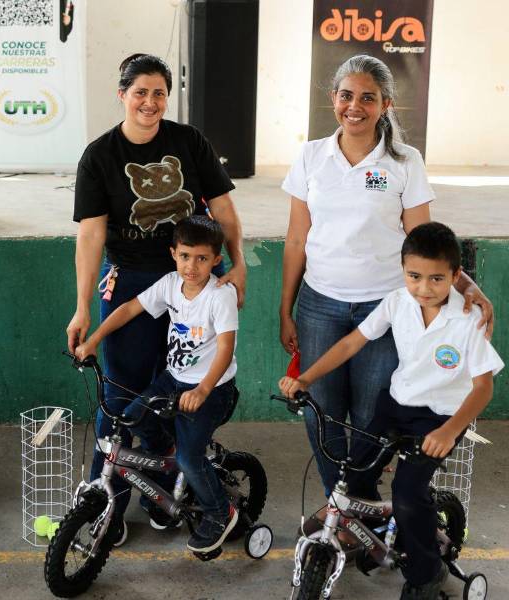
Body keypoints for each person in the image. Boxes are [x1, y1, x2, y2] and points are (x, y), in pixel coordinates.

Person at [279, 54, 494, 495]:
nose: (354, 106)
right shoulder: (310, 156)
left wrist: (467, 284)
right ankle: (338, 503)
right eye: (346, 95)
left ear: (386, 104)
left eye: (367, 98)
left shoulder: (404, 161)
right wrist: (287, 309)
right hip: (320, 304)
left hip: (387, 305)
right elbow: (297, 239)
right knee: (320, 408)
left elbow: (424, 240)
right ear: (332, 98)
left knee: (372, 412)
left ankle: (360, 503)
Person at [66, 53, 246, 539]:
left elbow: (224, 206)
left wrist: (239, 263)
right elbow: (90, 236)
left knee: (179, 390)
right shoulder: (99, 156)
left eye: (159, 93)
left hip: (195, 277)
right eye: (140, 92)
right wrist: (83, 306)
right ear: (122, 94)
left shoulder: (189, 142)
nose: (150, 102)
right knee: (121, 397)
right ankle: (107, 503)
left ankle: (170, 489)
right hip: (132, 281)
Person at [279, 222, 503, 599]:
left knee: (406, 491)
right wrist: (305, 378)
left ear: (456, 276)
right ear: (402, 270)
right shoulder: (397, 302)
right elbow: (352, 342)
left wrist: (449, 432)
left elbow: (483, 387)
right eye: (414, 276)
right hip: (396, 404)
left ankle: (426, 572)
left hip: (441, 417)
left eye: (437, 279)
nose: (424, 288)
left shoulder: (467, 320)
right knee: (357, 468)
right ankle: (375, 536)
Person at [76, 216, 239, 553]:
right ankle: (166, 450)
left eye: (202, 258)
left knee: (192, 458)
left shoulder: (220, 295)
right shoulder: (169, 284)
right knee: (130, 420)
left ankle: (220, 512)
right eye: (184, 256)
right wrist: (93, 340)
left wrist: (204, 389)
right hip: (172, 381)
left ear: (216, 260)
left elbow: (225, 349)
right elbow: (129, 308)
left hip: (212, 389)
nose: (191, 267)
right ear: (173, 253)